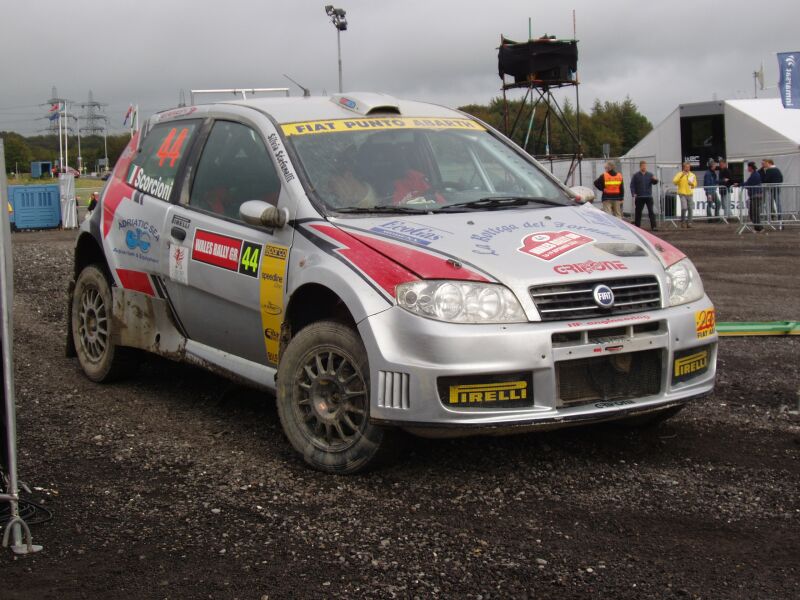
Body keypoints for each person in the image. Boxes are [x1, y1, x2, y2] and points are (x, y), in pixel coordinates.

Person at [629, 160, 659, 230]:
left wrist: (656, 180)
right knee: (638, 212)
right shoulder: (636, 175)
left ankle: (654, 226)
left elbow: (654, 182)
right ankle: (637, 226)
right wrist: (633, 193)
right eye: (643, 166)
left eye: (645, 166)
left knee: (651, 211)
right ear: (640, 166)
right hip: (639, 196)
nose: (644, 167)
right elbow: (632, 185)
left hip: (648, 196)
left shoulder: (650, 174)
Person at [672, 162, 697, 228]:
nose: (688, 168)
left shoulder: (692, 175)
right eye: (686, 167)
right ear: (684, 167)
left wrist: (692, 184)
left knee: (690, 208)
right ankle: (683, 221)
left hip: (690, 194)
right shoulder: (679, 174)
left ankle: (689, 223)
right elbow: (674, 181)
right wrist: (681, 176)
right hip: (682, 193)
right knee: (684, 208)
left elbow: (695, 184)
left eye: (689, 167)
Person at [762, 159, 784, 228]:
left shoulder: (769, 170)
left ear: (769, 163)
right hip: (777, 188)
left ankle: (771, 217)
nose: (764, 165)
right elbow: (781, 179)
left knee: (769, 203)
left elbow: (766, 180)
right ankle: (780, 218)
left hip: (771, 189)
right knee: (778, 204)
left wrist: (762, 181)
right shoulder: (777, 169)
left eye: (765, 163)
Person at [742, 161, 763, 231]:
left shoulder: (755, 175)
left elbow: (749, 184)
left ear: (750, 167)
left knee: (754, 212)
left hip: (756, 195)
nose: (747, 168)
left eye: (748, 167)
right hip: (755, 195)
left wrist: (741, 184)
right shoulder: (754, 174)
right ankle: (758, 227)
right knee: (753, 212)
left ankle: (759, 228)